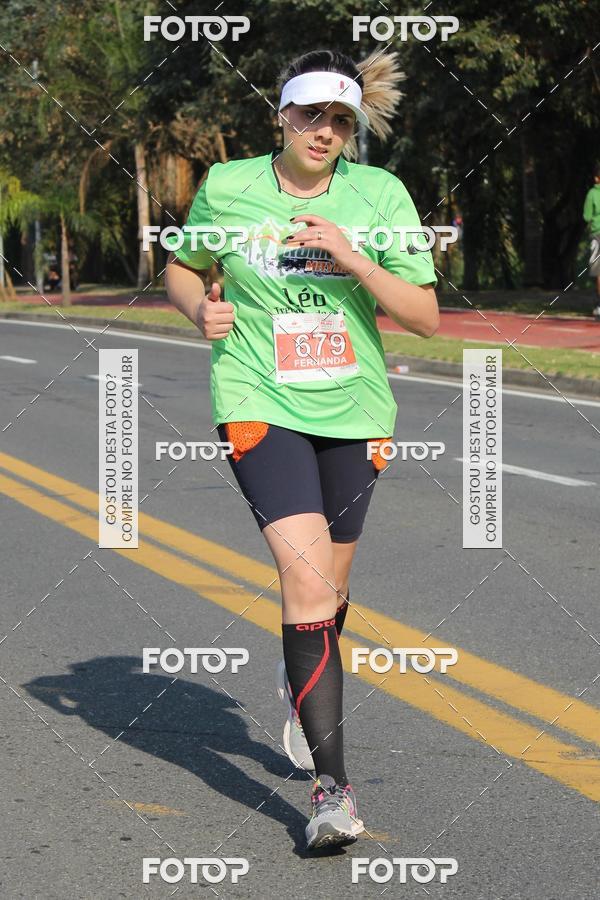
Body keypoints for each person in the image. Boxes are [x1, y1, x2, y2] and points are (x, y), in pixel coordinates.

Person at [165, 48, 439, 851]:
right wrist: (196, 311)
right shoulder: (230, 186)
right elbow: (184, 269)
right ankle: (333, 796)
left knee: (328, 593)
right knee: (309, 585)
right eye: (312, 114)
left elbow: (425, 316)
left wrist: (354, 257)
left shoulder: (380, 195)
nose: (325, 131)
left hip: (355, 410)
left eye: (341, 120)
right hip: (258, 399)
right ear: (280, 115)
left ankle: (302, 671)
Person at [583, 164, 600, 318]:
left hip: (597, 234)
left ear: (596, 178)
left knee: (598, 271)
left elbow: (587, 217)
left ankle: (599, 305)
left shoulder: (592, 194)